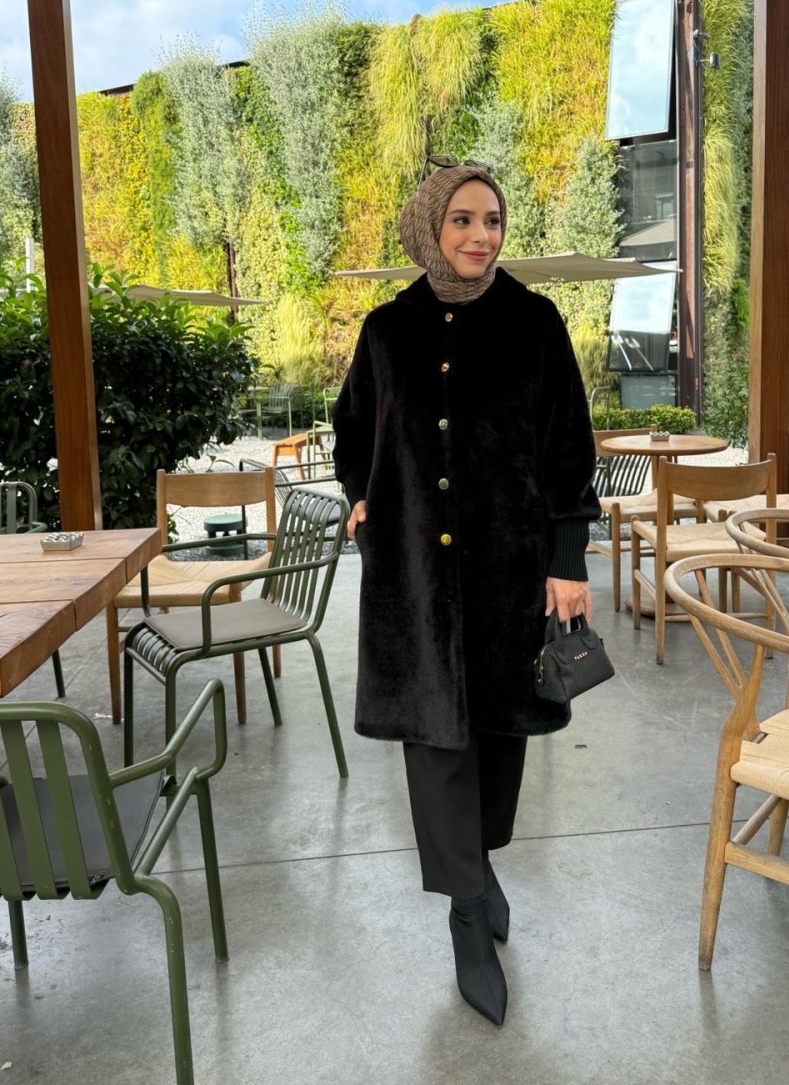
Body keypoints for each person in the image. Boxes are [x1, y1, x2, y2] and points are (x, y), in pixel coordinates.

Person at [332, 160, 600, 1027]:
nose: (482, 236)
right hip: (414, 572)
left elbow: (569, 447)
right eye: (463, 219)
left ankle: (478, 864)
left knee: (499, 731)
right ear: (429, 226)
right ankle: (466, 913)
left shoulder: (534, 321)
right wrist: (360, 496)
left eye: (492, 220)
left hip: (510, 570)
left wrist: (567, 558)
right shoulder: (387, 330)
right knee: (435, 737)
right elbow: (353, 428)